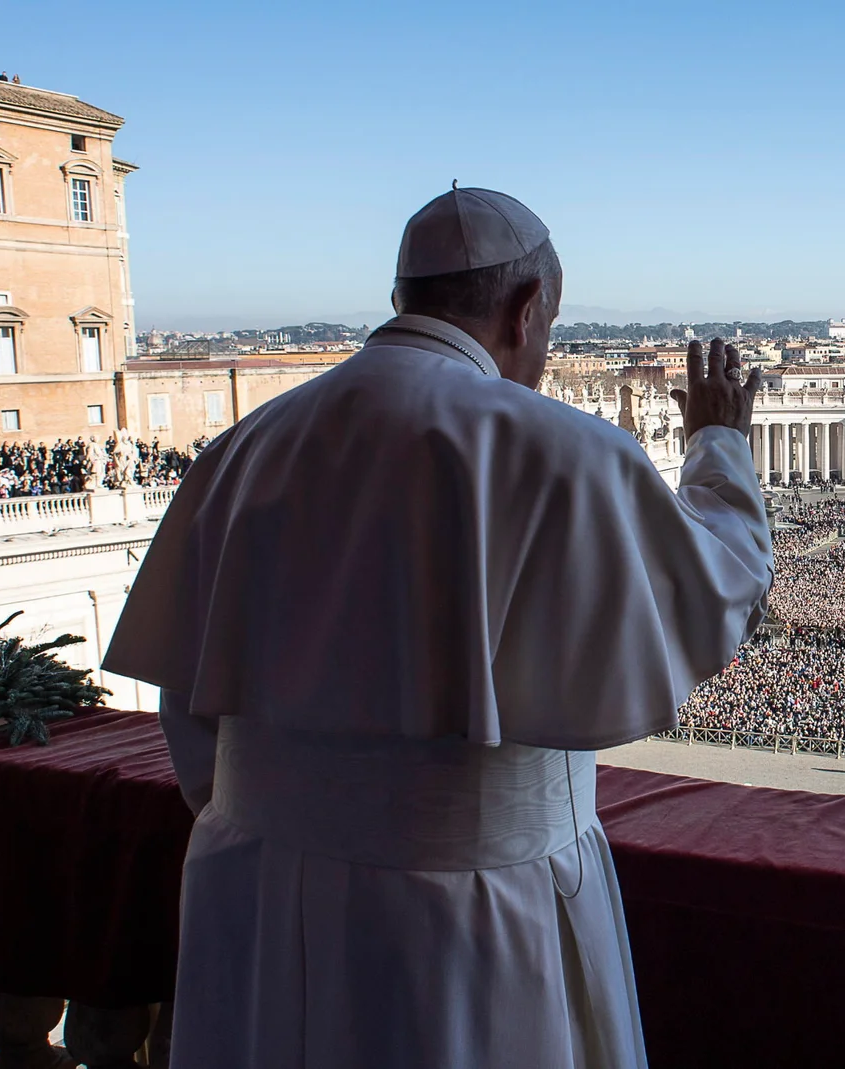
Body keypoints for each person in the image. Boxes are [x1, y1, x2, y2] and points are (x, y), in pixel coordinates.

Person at [103, 186, 773, 1068]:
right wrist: (719, 444)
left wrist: (293, 819)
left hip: (262, 898)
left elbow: (188, 702)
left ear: (402, 299)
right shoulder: (564, 449)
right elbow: (719, 587)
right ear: (529, 310)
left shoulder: (244, 448)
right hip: (478, 911)